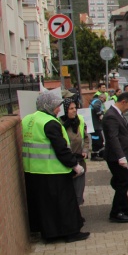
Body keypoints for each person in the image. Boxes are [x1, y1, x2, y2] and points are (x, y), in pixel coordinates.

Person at [22, 92, 89, 243]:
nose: (59, 110)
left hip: (33, 171)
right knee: (65, 204)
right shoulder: (50, 123)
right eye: (57, 106)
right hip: (53, 171)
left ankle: (50, 234)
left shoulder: (28, 119)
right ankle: (71, 233)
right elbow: (61, 148)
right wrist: (74, 164)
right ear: (48, 106)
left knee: (45, 207)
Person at [102, 92, 128, 222]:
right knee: (122, 183)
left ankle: (125, 208)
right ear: (123, 102)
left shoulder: (118, 114)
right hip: (116, 157)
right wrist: (121, 157)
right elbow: (113, 138)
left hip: (123, 153)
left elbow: (122, 134)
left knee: (123, 182)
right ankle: (115, 212)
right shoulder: (111, 116)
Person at [60, 98, 91, 206]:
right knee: (68, 194)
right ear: (64, 110)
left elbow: (86, 138)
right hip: (66, 164)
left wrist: (85, 150)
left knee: (78, 194)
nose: (74, 110)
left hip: (79, 162)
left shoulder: (79, 121)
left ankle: (77, 215)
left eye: (75, 108)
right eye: (71, 108)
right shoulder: (59, 124)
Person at [89, 93, 106, 161]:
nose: (104, 101)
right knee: (97, 140)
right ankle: (94, 155)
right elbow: (96, 107)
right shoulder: (98, 101)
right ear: (101, 97)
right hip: (94, 125)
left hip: (93, 125)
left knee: (99, 139)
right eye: (104, 100)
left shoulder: (94, 101)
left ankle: (99, 153)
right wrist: (100, 114)